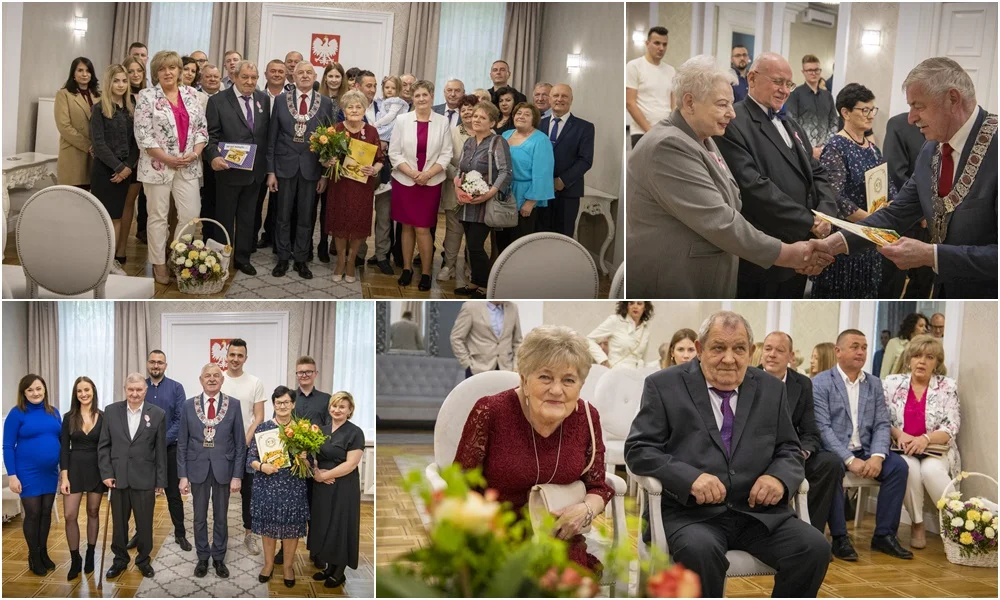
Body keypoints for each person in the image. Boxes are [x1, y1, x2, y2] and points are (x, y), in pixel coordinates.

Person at [625, 312, 830, 597]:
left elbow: (788, 448)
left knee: (814, 548)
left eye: (739, 349)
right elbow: (639, 449)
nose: (729, 359)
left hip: (758, 515)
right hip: (692, 515)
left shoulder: (771, 389)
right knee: (700, 552)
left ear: (751, 351)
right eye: (718, 348)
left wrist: (779, 478)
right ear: (699, 349)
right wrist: (690, 478)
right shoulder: (664, 385)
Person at [628, 56, 832, 298]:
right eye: (722, 104)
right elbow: (720, 219)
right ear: (690, 102)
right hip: (675, 278)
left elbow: (733, 200)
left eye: (731, 104)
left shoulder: (704, 140)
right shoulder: (668, 145)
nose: (732, 114)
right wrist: (787, 254)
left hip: (711, 271)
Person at [815, 57, 997, 298]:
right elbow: (896, 213)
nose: (911, 118)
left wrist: (930, 255)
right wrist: (832, 244)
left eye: (918, 106)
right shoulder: (931, 149)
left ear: (953, 99)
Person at [455, 325, 613, 569]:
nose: (557, 390)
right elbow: (460, 486)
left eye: (568, 380)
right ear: (524, 380)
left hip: (558, 540)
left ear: (580, 385)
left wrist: (585, 510)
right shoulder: (491, 412)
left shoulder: (587, 417)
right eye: (545, 377)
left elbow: (599, 486)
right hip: (495, 538)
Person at [714, 52, 839, 299]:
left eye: (788, 84)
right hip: (766, 251)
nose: (784, 90)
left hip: (804, 245)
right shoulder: (734, 122)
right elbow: (753, 187)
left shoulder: (791, 123)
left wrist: (826, 215)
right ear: (752, 78)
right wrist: (809, 221)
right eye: (777, 82)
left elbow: (817, 172)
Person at [812, 330, 913, 560]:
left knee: (898, 467)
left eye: (864, 347)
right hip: (835, 451)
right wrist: (849, 459)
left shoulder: (874, 383)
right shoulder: (820, 383)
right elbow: (823, 429)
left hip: (867, 448)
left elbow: (881, 423)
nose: (861, 352)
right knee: (832, 468)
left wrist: (877, 455)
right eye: (855, 346)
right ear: (838, 351)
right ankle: (840, 537)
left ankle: (884, 536)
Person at [810, 84, 897, 298]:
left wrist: (892, 206)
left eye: (872, 110)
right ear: (845, 112)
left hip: (870, 239)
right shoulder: (836, 147)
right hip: (847, 241)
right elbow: (835, 198)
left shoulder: (873, 149)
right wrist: (871, 221)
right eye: (864, 110)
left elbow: (888, 186)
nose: (870, 116)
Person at [760, 332, 846, 538]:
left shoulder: (802, 383)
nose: (772, 355)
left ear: (791, 356)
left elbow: (810, 431)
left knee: (830, 463)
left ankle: (810, 534)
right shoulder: (747, 378)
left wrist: (804, 451)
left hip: (791, 453)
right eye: (767, 349)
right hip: (757, 454)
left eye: (779, 350)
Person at [135, 50, 208, 285]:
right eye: (162, 68)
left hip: (188, 165)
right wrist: (167, 158)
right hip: (157, 166)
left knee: (190, 214)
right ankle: (158, 263)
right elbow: (143, 135)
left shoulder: (192, 95)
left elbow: (202, 130)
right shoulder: (147, 96)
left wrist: (195, 153)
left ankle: (178, 257)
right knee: (157, 216)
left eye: (172, 67)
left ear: (179, 70)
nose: (168, 72)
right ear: (156, 73)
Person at [882, 334, 960, 549]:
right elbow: (881, 419)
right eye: (917, 356)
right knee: (908, 468)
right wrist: (898, 433)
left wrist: (925, 439)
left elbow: (951, 426)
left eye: (929, 357)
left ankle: (959, 524)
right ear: (909, 360)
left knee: (931, 471)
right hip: (904, 450)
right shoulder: (892, 383)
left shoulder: (947, 386)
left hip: (936, 450)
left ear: (937, 363)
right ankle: (917, 523)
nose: (922, 361)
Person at [266, 60, 334, 280]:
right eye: (300, 72)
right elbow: (272, 138)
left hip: (312, 169)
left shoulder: (325, 102)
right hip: (284, 167)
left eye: (309, 72)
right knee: (283, 216)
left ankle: (302, 259)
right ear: (292, 77)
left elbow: (330, 141)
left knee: (306, 216)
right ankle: (283, 257)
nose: (304, 76)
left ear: (315, 76)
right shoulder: (280, 100)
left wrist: (325, 174)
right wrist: (271, 172)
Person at [178, 365, 246, 578]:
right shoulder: (189, 406)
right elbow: (182, 443)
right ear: (200, 380)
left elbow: (239, 443)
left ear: (222, 380)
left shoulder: (233, 405)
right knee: (198, 516)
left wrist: (237, 475)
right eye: (207, 376)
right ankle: (202, 556)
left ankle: (218, 557)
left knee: (220, 516)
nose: (212, 379)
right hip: (196, 467)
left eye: (216, 375)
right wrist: (182, 475)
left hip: (223, 469)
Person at [98, 373, 167, 579]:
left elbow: (161, 451)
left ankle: (143, 560)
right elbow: (103, 446)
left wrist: (160, 482)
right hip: (118, 478)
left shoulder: (157, 414)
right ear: (125, 389)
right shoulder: (110, 411)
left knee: (145, 524)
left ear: (145, 391)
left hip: (145, 478)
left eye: (139, 390)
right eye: (131, 389)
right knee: (119, 524)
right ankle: (119, 560)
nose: (135, 394)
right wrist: (107, 473)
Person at [205, 60, 271, 276]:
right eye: (245, 77)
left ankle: (242, 258)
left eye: (254, 78)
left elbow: (264, 135)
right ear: (234, 77)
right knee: (224, 218)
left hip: (255, 173)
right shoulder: (217, 101)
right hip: (228, 172)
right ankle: (221, 260)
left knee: (247, 218)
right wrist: (213, 156)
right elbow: (210, 136)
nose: (250, 82)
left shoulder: (263, 99)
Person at [388, 80, 454, 291]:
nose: (421, 99)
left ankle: (426, 273)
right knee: (406, 227)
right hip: (405, 180)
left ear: (432, 96)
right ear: (413, 98)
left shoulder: (443, 122)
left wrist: (427, 174)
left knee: (423, 228)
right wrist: (413, 173)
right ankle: (407, 269)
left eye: (425, 95)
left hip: (431, 182)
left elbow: (446, 154)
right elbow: (394, 152)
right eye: (417, 96)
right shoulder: (401, 120)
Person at [247, 386, 311, 588]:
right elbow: (250, 458)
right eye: (278, 402)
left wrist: (305, 459)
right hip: (267, 485)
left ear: (293, 404)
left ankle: (288, 567)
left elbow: (311, 465)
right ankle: (267, 565)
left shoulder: (303, 429)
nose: (282, 406)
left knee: (291, 529)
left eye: (286, 402)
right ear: (273, 405)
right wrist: (262, 466)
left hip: (293, 486)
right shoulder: (263, 428)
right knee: (268, 527)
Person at [3, 375, 61, 576]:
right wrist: (12, 475)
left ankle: (44, 552)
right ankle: (33, 556)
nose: (35, 393)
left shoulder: (54, 412)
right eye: (30, 390)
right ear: (24, 393)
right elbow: (8, 446)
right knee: (33, 513)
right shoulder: (17, 413)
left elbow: (61, 442)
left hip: (50, 472)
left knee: (46, 513)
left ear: (44, 389)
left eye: (38, 388)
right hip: (27, 472)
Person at [452, 101, 512, 297]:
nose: (476, 119)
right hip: (467, 202)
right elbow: (461, 169)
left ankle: (488, 287)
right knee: (469, 246)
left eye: (482, 117)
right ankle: (474, 283)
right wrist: (457, 187)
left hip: (486, 203)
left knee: (477, 246)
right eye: (475, 116)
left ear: (492, 122)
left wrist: (489, 193)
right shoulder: (469, 142)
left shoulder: (498, 142)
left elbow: (505, 172)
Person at [324, 89, 385, 282]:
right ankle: (340, 261)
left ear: (364, 108)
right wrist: (329, 161)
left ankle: (352, 262)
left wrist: (374, 170)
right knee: (340, 222)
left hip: (362, 186)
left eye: (358, 106)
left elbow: (380, 159)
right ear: (344, 109)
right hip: (340, 185)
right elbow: (324, 158)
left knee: (358, 222)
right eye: (350, 107)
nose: (354, 110)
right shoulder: (336, 130)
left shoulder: (372, 131)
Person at [308, 392, 365, 587]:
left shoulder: (355, 432)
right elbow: (313, 455)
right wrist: (316, 471)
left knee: (340, 525)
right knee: (324, 524)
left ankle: (339, 571)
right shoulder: (320, 430)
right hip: (322, 486)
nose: (337, 410)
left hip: (343, 486)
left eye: (342, 407)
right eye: (334, 406)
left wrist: (325, 475)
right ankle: (329, 567)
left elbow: (351, 464)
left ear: (350, 410)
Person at [220, 340, 267, 557]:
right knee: (221, 492)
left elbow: (259, 416)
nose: (235, 359)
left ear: (245, 358)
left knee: (249, 493)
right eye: (232, 355)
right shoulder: (218, 379)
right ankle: (220, 536)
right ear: (226, 356)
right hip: (222, 447)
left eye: (240, 355)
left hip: (248, 446)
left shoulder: (255, 382)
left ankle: (249, 535)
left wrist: (245, 440)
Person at [90, 64, 138, 275]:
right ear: (109, 83)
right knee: (103, 216)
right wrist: (118, 167)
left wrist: (127, 167)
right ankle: (101, 260)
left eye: (124, 81)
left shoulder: (132, 108)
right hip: (105, 170)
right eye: (116, 80)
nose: (121, 85)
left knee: (117, 216)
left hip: (126, 171)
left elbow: (137, 142)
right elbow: (98, 144)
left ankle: (112, 263)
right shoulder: (99, 109)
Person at [140, 350, 188, 552]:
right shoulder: (140, 387)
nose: (156, 366)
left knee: (173, 495)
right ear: (148, 364)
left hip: (170, 450)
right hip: (144, 452)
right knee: (143, 496)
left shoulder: (176, 388)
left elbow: (180, 419)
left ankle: (180, 534)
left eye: (160, 362)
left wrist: (161, 441)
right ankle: (140, 534)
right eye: (152, 362)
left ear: (165, 365)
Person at [59, 377, 107, 580]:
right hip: (74, 468)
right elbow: (64, 449)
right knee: (70, 515)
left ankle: (90, 554)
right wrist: (64, 477)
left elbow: (108, 446)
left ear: (93, 391)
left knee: (93, 511)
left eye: (86, 390)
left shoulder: (104, 417)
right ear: (75, 394)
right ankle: (75, 558)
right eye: (79, 391)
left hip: (97, 468)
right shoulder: (68, 417)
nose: (83, 394)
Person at [538, 84, 594, 237]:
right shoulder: (537, 124)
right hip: (540, 190)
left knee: (562, 236)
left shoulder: (585, 127)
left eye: (564, 96)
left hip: (568, 192)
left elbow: (585, 160)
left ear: (571, 100)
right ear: (550, 99)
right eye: (556, 96)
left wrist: (562, 181)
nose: (559, 99)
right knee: (539, 235)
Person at [498, 103, 555, 248]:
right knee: (501, 238)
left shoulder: (541, 140)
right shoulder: (506, 135)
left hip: (525, 195)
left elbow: (543, 173)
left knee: (519, 241)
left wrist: (530, 201)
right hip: (503, 194)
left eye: (526, 114)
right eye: (518, 113)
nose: (521, 116)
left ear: (534, 119)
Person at [438, 94, 479, 283]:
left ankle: (472, 266)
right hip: (454, 189)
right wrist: (460, 179)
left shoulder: (491, 135)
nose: (468, 113)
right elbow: (444, 159)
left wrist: (476, 182)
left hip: (480, 193)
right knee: (453, 231)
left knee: (474, 233)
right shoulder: (451, 132)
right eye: (464, 110)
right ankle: (449, 266)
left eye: (472, 109)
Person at [314, 61, 349, 264]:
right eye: (330, 76)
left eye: (338, 76)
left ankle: (325, 244)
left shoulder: (347, 100)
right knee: (312, 206)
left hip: (339, 160)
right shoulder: (317, 98)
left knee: (330, 207)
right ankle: (309, 243)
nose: (334, 80)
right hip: (317, 157)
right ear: (325, 78)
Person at [257, 59, 288, 250]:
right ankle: (252, 237)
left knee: (279, 204)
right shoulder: (257, 96)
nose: (276, 74)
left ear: (286, 76)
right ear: (266, 74)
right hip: (259, 157)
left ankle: (274, 237)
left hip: (283, 158)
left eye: (280, 72)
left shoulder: (290, 98)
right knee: (256, 201)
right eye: (273, 71)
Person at [626, 26, 674, 148]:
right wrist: (651, 131)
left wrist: (673, 128)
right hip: (642, 132)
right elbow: (630, 103)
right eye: (657, 43)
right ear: (647, 43)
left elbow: (674, 104)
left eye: (665, 44)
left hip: (666, 131)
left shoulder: (671, 70)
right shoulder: (634, 66)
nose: (661, 48)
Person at [56, 57, 100, 188]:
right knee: (72, 197)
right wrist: (88, 145)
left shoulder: (99, 95)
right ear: (73, 74)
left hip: (96, 154)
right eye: (80, 70)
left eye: (88, 70)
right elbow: (64, 126)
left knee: (90, 198)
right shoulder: (63, 94)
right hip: (74, 153)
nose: (84, 74)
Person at [785, 55, 839, 160]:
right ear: (803, 72)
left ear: (820, 71)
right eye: (809, 70)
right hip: (803, 151)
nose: (813, 73)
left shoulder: (827, 96)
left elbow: (834, 123)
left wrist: (824, 147)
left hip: (825, 151)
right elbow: (791, 124)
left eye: (816, 70)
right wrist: (809, 149)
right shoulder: (795, 94)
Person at [451, 301, 522, 377]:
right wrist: (467, 364)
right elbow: (456, 337)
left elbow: (517, 341)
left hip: (506, 369)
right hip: (478, 369)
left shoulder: (513, 308)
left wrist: (516, 365)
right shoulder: (470, 307)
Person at [586, 302, 653, 369]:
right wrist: (603, 360)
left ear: (645, 307)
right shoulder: (615, 320)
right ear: (626, 306)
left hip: (635, 375)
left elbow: (643, 358)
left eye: (639, 303)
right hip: (615, 372)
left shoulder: (645, 329)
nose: (635, 306)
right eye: (631, 303)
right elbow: (589, 339)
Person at [882, 312, 929, 378]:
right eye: (921, 326)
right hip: (895, 384)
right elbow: (884, 371)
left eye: (925, 326)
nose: (925, 329)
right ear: (911, 327)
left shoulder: (925, 347)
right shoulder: (894, 343)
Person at [373, 76, 410, 141]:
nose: (389, 90)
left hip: (390, 125)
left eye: (393, 88)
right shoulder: (383, 100)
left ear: (398, 90)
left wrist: (377, 124)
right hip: (383, 122)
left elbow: (390, 116)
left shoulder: (396, 102)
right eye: (387, 87)